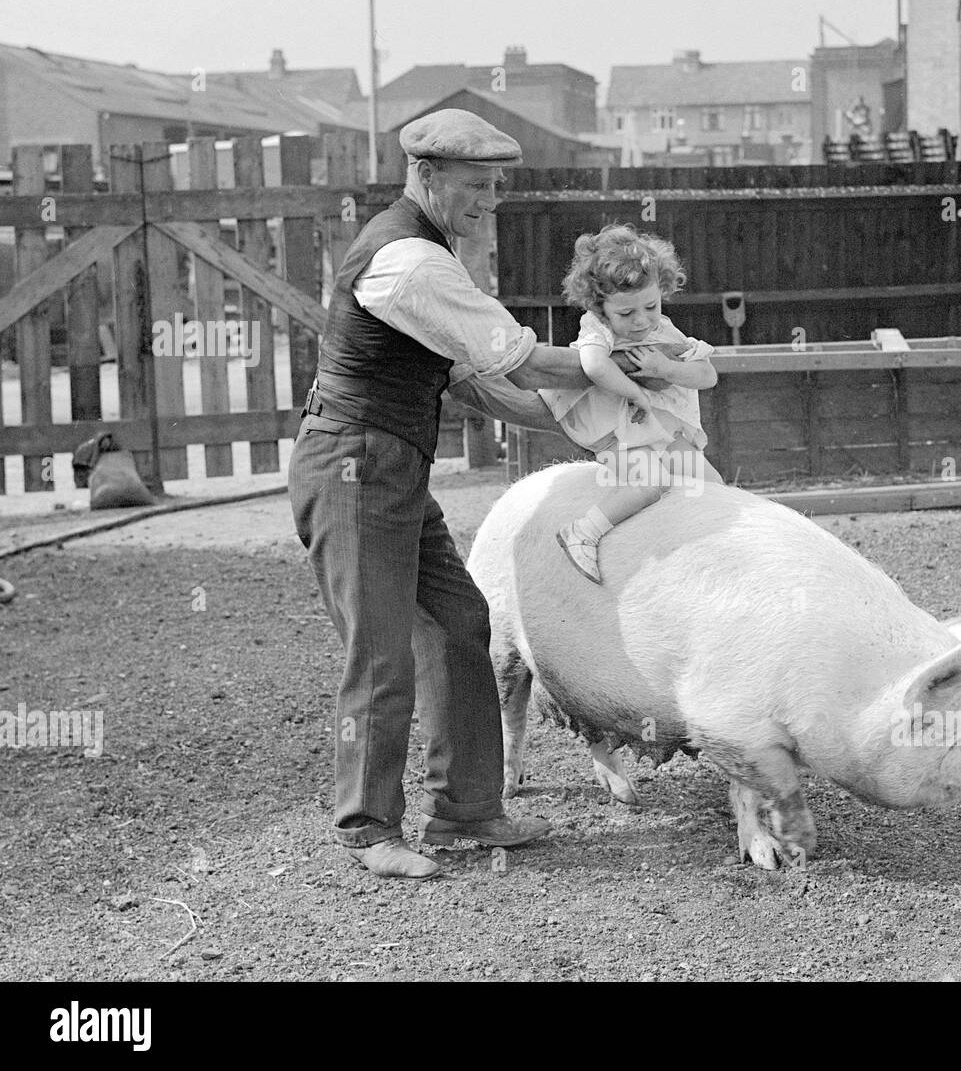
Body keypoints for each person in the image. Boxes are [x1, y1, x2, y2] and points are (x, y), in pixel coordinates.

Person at [288, 110, 659, 880]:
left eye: (496, 187)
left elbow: (473, 380)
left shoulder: (430, 256)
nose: (491, 201)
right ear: (426, 175)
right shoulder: (411, 263)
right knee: (380, 651)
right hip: (355, 465)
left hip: (390, 466)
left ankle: (464, 811)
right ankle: (368, 831)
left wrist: (599, 430)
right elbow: (521, 361)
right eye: (478, 186)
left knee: (460, 621)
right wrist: (627, 363)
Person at [544, 225, 724, 584]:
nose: (641, 320)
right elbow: (594, 365)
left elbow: (707, 375)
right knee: (650, 482)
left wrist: (669, 368)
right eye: (626, 314)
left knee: (711, 484)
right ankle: (583, 531)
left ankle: (699, 553)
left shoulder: (665, 329)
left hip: (660, 427)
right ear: (601, 307)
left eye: (650, 306)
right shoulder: (596, 329)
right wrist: (636, 392)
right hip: (614, 429)